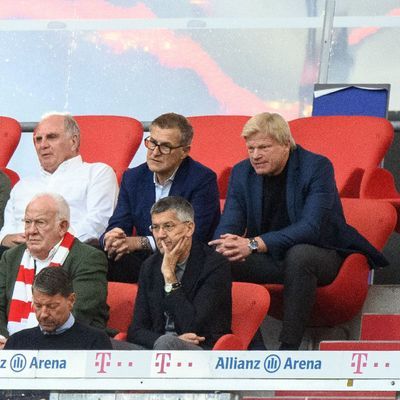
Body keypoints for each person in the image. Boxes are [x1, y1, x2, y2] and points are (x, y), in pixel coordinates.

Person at [209, 112, 388, 350]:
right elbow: (230, 221)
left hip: (323, 255)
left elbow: (311, 228)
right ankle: (253, 347)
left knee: (300, 254)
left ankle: (289, 348)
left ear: (285, 144)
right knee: (217, 260)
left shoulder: (316, 167)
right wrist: (226, 244)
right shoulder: (242, 172)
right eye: (250, 148)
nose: (255, 155)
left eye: (263, 147)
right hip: (273, 259)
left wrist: (254, 244)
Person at [101, 112, 220, 283]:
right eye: (152, 143)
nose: (155, 152)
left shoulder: (202, 179)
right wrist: (113, 237)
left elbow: (192, 237)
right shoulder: (133, 177)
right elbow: (119, 222)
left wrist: (140, 242)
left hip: (185, 260)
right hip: (144, 261)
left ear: (184, 151)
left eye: (165, 147)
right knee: (95, 255)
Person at [0, 192, 109, 349]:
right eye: (28, 222)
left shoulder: (88, 258)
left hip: (71, 347)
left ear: (62, 226)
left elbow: (79, 311)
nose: (31, 231)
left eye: (40, 223)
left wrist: (23, 344)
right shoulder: (11, 257)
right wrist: (6, 341)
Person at [0, 112, 118, 252]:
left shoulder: (97, 173)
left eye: (51, 137)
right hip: (17, 256)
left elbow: (97, 223)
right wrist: (5, 238)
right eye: (38, 139)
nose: (43, 145)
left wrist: (50, 241)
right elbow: (7, 228)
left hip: (71, 254)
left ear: (73, 142)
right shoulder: (22, 185)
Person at [126, 196, 231, 350]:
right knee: (105, 346)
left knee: (167, 343)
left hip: (201, 350)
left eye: (168, 226)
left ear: (189, 228)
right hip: (156, 346)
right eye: (155, 227)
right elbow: (135, 330)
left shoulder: (215, 265)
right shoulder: (149, 266)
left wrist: (169, 275)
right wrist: (163, 339)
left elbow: (193, 326)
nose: (160, 234)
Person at [4, 266, 112, 350]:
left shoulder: (95, 341)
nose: (43, 314)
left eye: (52, 306)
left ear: (71, 300)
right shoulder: (16, 343)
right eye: (38, 306)